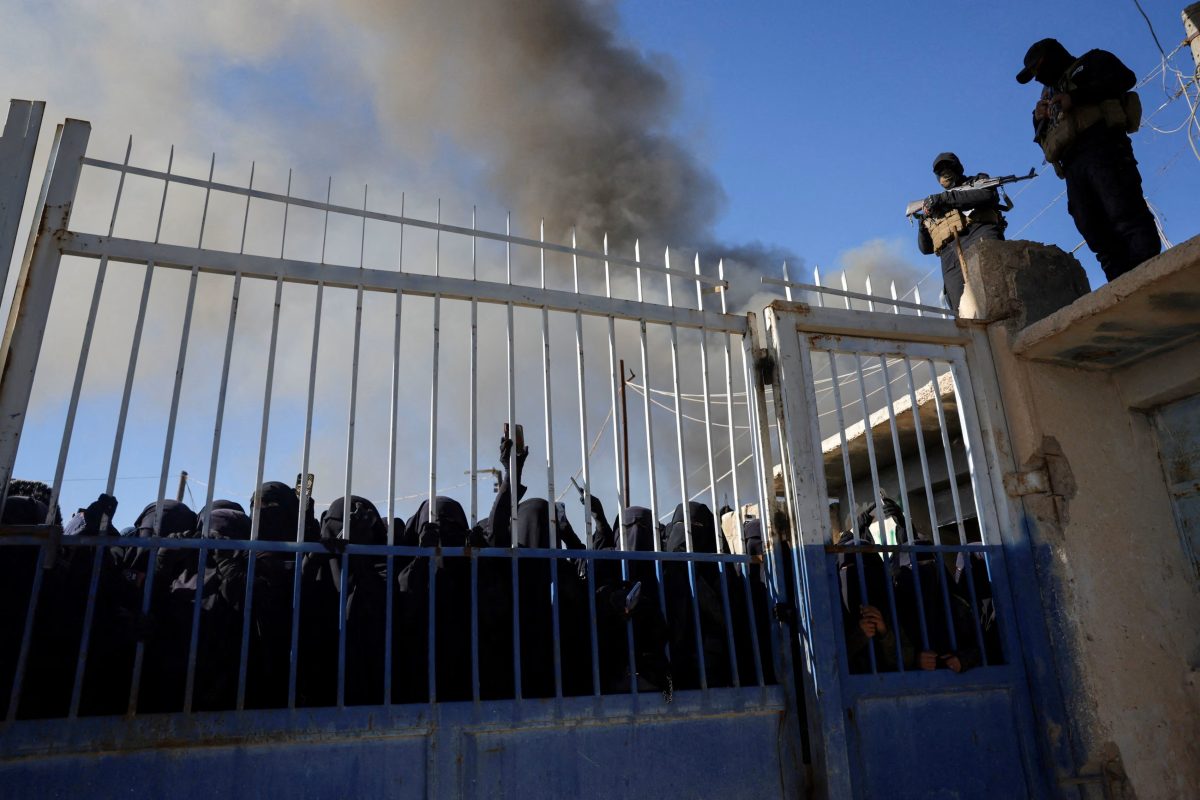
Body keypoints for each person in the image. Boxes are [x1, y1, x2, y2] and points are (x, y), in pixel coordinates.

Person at [1017, 37, 1160, 281]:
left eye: (1038, 69)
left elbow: (1125, 79)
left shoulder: (1092, 61)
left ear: (1053, 58)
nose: (1038, 78)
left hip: (1102, 146)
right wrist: (1038, 117)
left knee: (1124, 213)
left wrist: (1076, 97)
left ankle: (1153, 276)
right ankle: (1122, 285)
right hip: (1072, 164)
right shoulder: (1048, 93)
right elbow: (1044, 135)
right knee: (1093, 228)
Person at [916, 152, 1008, 311]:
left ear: (958, 168)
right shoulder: (935, 204)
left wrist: (945, 199)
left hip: (978, 237)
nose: (945, 173)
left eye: (948, 167)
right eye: (940, 171)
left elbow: (988, 195)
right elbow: (926, 249)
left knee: (996, 294)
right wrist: (922, 224)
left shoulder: (977, 182)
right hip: (951, 260)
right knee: (963, 311)